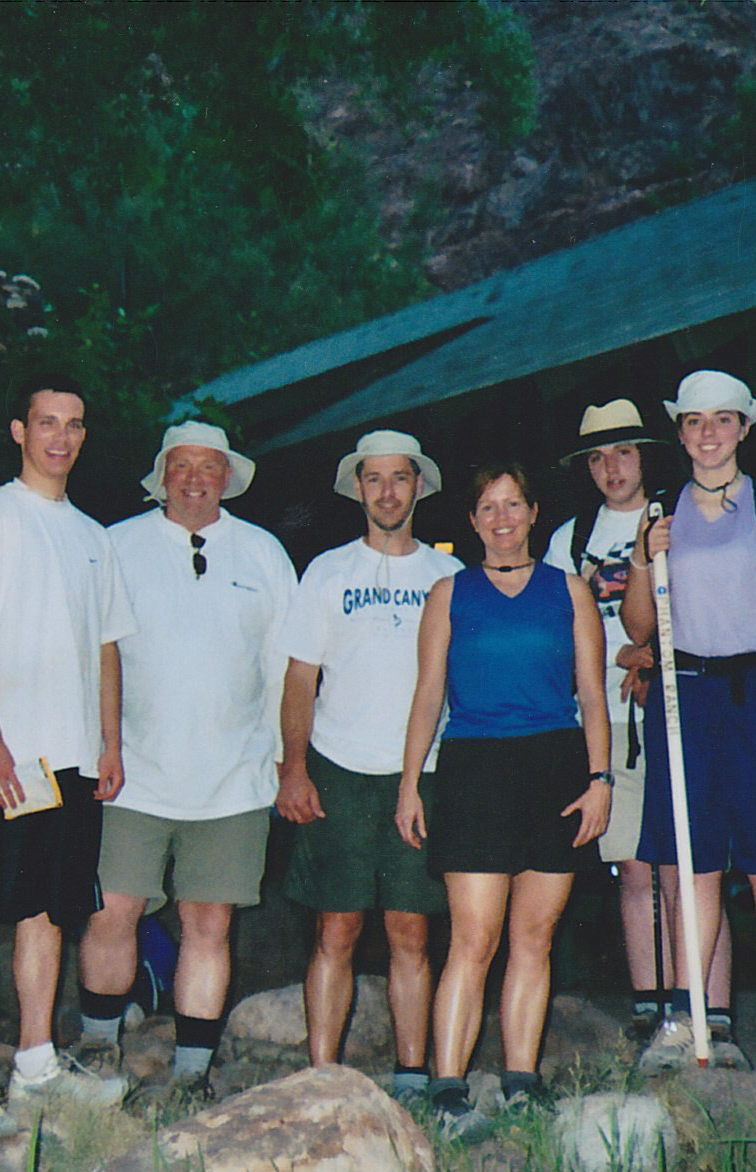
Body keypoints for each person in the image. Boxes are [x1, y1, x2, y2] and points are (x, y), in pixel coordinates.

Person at [0, 375, 135, 1133]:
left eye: (74, 425)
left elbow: (108, 647)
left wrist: (110, 742)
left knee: (48, 909)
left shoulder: (92, 535)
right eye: (46, 423)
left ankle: (36, 1067)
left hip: (71, 757)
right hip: (3, 753)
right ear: (19, 430)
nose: (61, 437)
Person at [74, 421, 296, 1100]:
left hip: (234, 780)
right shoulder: (114, 546)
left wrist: (286, 764)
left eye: (209, 466)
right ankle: (97, 1052)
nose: (196, 477)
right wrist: (96, 750)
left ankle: (194, 1075)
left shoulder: (263, 553)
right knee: (112, 911)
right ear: (161, 475)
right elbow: (89, 658)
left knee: (209, 923)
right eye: (182, 465)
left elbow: (288, 668)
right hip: (130, 772)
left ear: (227, 477)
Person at [620, 370, 756, 1080]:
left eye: (722, 420)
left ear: (744, 427)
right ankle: (683, 1016)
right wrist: (649, 558)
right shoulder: (660, 511)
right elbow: (639, 626)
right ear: (679, 432)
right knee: (695, 863)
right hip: (690, 692)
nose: (708, 434)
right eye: (694, 422)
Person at [398, 462, 611, 1138]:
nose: (501, 518)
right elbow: (429, 694)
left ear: (533, 512)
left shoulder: (569, 591)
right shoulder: (448, 593)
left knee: (534, 936)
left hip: (554, 765)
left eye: (512, 504)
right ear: (472, 519)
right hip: (476, 769)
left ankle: (522, 1080)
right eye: (488, 506)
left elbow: (593, 694)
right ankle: (448, 1088)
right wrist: (411, 784)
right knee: (475, 936)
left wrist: (600, 780)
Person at [542, 401, 743, 1067]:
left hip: (679, 713)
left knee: (694, 864)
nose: (611, 468)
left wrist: (651, 656)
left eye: (622, 453)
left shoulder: (680, 517)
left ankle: (709, 1008)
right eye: (597, 457)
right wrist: (617, 658)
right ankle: (652, 1007)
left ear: (644, 456)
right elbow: (553, 633)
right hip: (607, 720)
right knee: (634, 867)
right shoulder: (571, 539)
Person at [276, 430, 462, 1103]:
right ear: (357, 487)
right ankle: (320, 1078)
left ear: (419, 485)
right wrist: (293, 769)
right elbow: (300, 679)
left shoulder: (448, 577)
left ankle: (412, 1078)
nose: (387, 491)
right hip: (340, 768)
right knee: (337, 927)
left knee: (411, 930)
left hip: (425, 773)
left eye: (399, 478)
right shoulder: (326, 571)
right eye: (373, 478)